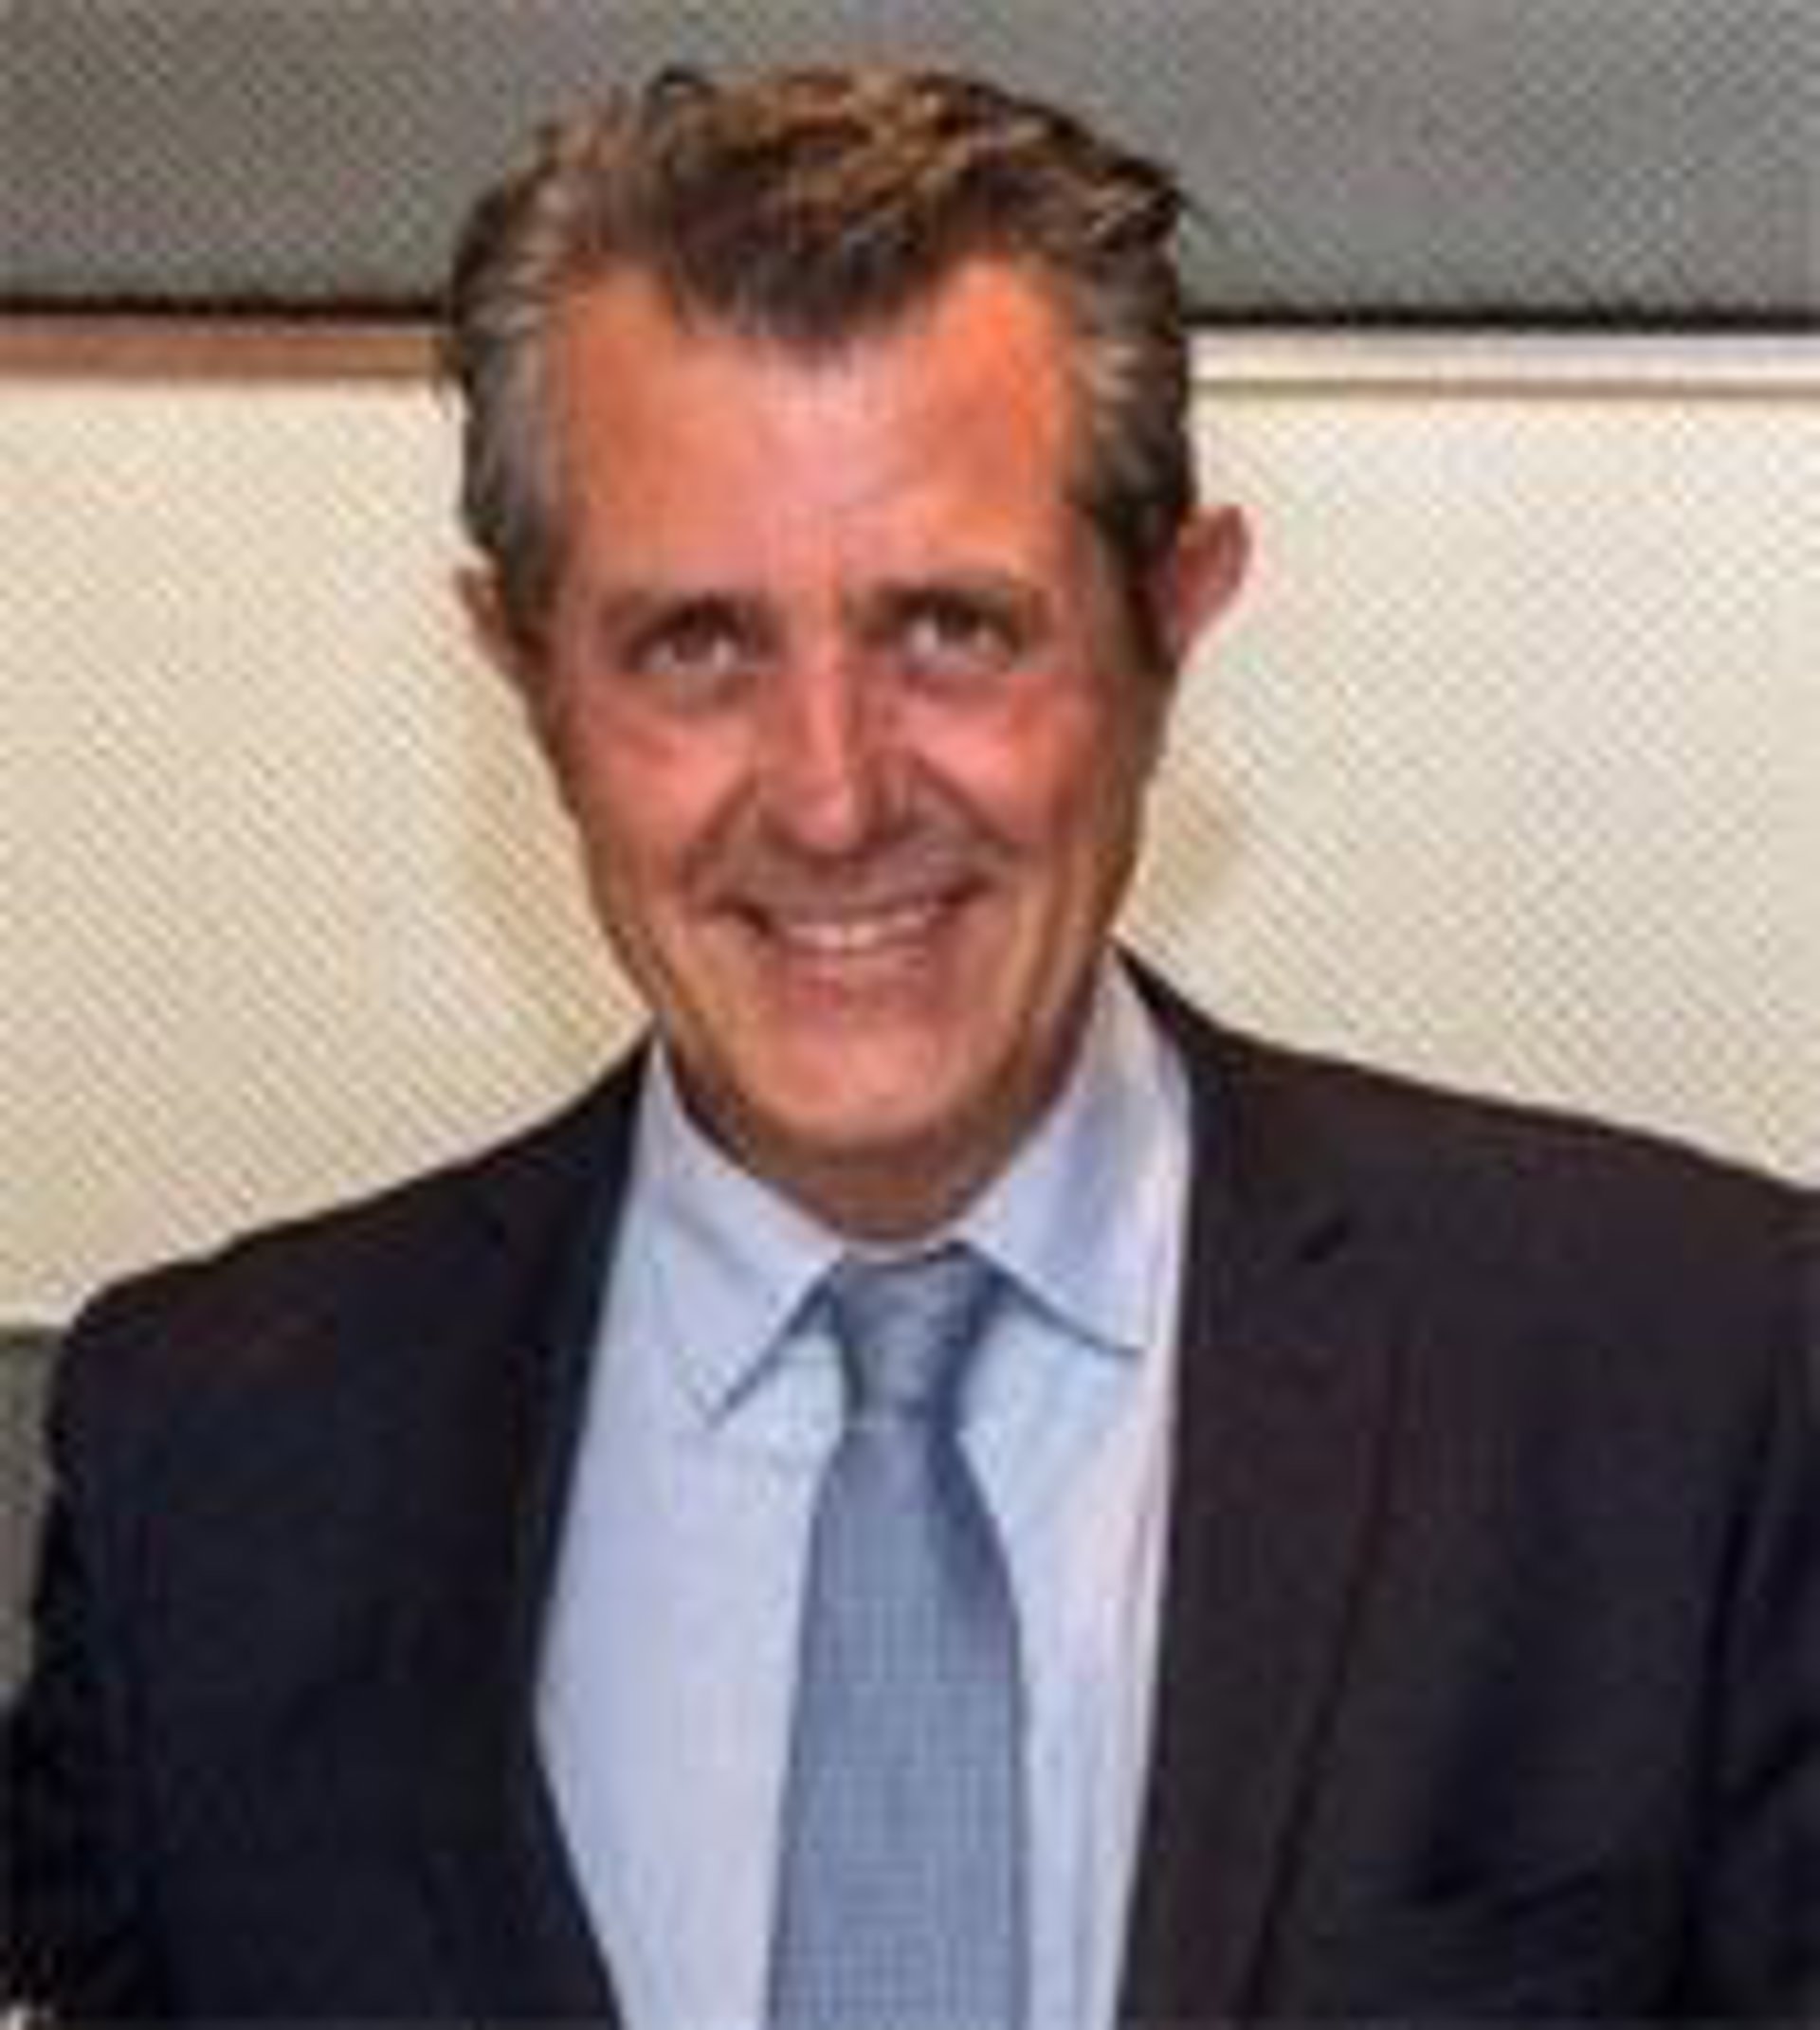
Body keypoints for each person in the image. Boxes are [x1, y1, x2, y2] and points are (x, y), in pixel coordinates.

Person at [4, 63, 1813, 2023]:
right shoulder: (216, 1471)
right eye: (696, 645)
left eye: (951, 629)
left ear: (1172, 623)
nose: (835, 795)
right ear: (526, 678)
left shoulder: (1696, 1396)